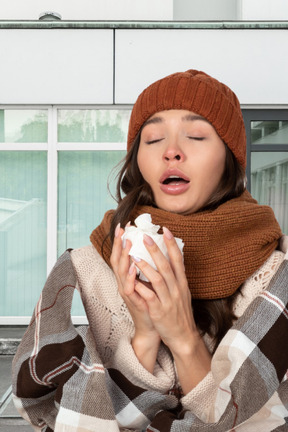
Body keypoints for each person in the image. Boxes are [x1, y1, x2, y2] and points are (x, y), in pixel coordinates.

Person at [12, 70, 288, 431]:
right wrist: (144, 335)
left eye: (196, 135)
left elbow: (256, 421)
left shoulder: (276, 271)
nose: (172, 151)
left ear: (229, 160)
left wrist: (183, 336)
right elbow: (52, 411)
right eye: (153, 138)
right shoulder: (90, 265)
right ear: (137, 160)